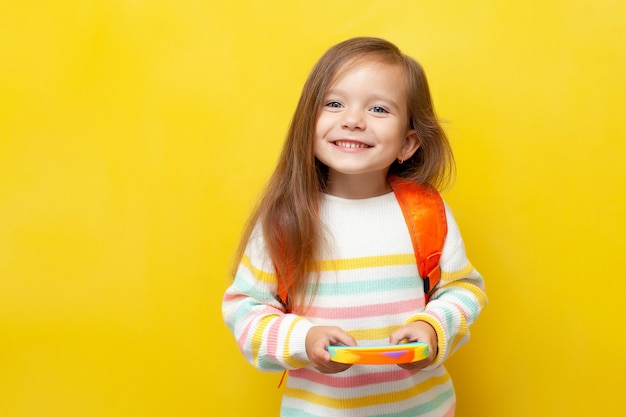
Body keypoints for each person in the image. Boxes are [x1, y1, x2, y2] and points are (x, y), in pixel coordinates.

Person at [222, 37, 487, 417]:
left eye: (378, 108)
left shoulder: (427, 212)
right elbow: (245, 309)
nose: (353, 120)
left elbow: (464, 291)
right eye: (333, 103)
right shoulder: (285, 217)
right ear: (308, 121)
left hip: (425, 409)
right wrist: (304, 338)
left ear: (408, 144)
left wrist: (433, 328)